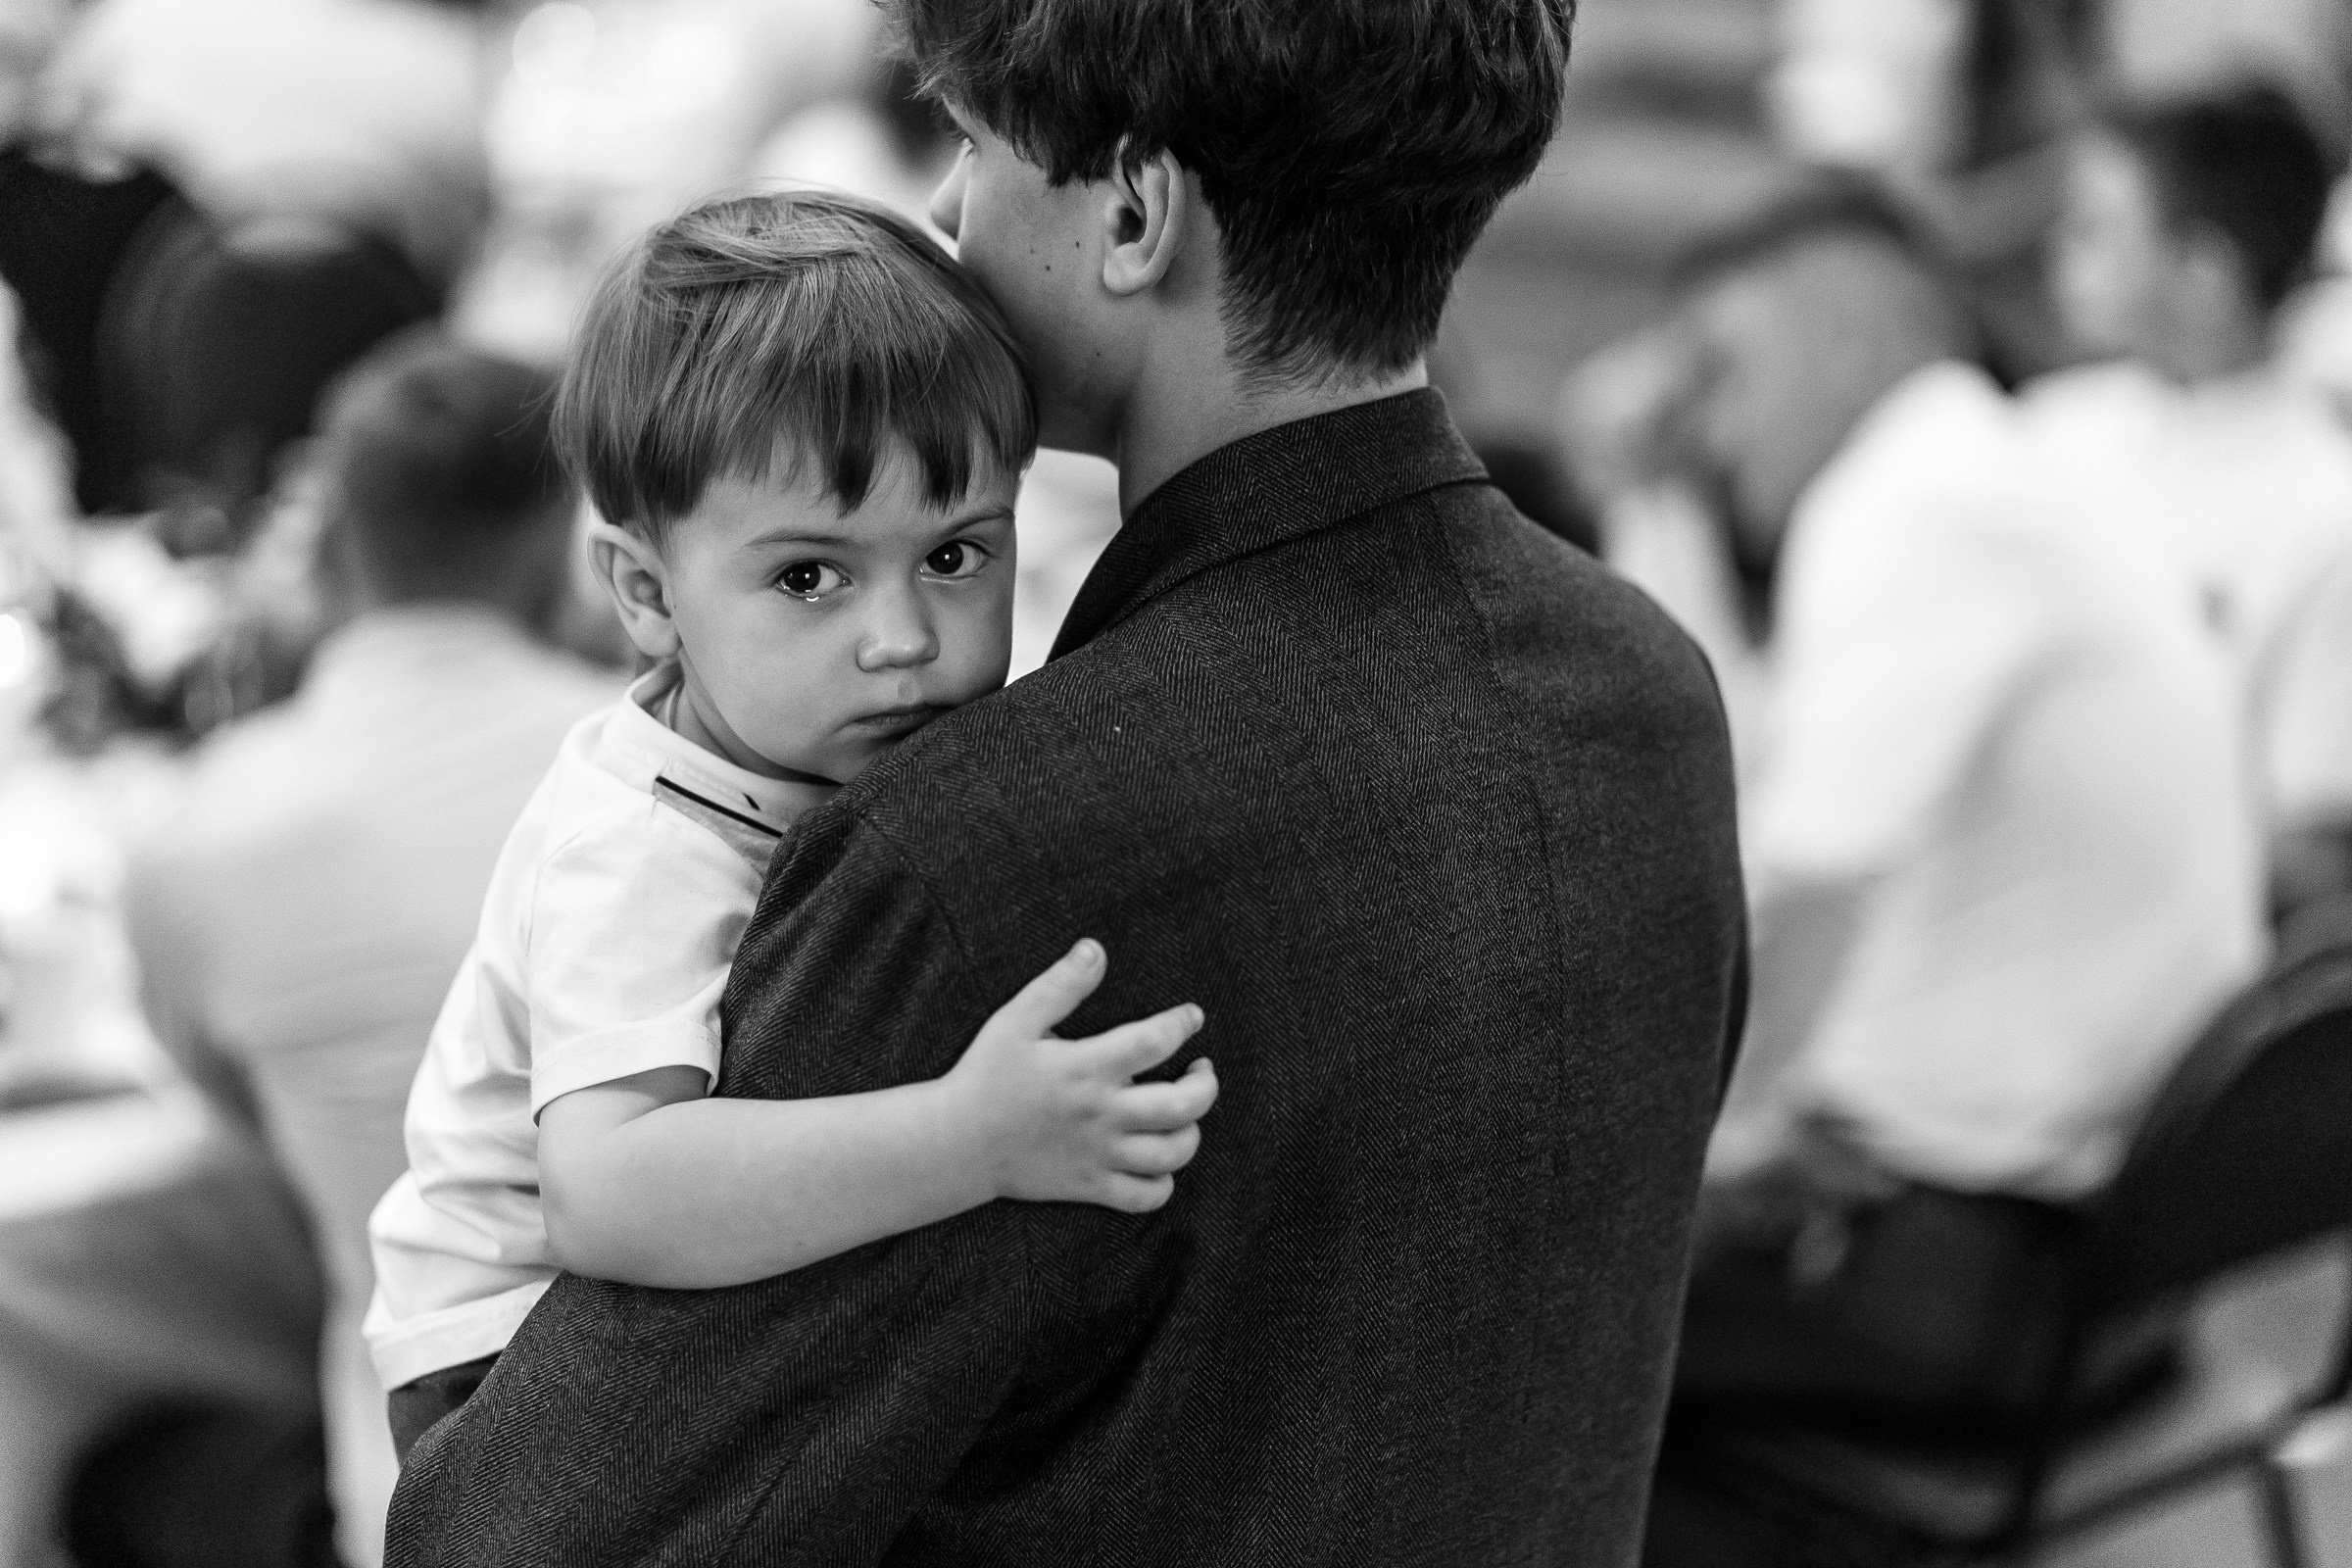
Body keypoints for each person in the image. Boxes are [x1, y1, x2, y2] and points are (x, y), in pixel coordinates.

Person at [391, 1, 1748, 1562]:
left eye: (976, 148)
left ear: (1130, 210)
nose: (956, 217)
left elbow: (530, 1540)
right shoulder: (1650, 695)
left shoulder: (996, 852)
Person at [366, 190, 1218, 1462]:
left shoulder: (810, 741)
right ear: (646, 594)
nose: (902, 639)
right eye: (808, 577)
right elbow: (613, 1193)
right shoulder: (635, 843)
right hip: (504, 1375)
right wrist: (972, 1138)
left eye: (956, 555)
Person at [1640, 189, 2265, 1562]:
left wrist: (1680, 1172)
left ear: (1853, 337)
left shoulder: (1911, 501)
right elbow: (1760, 789)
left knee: (1462, 1293)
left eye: (1727, 370)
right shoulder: (1998, 474)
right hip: (2127, 1280)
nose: (1714, 425)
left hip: (1979, 1287)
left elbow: (1797, 901)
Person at [123, 329, 618, 1566]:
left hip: (411, 1486)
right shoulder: (677, 786)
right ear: (583, 545)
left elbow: (237, 1125)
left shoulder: (199, 830)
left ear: (334, 534)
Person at [2031, 81, 2352, 918]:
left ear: (2204, 274)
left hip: (2167, 955)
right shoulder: (2045, 427)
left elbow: (2312, 847)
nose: (2058, 250)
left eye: (2095, 228)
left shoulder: (2325, 510)